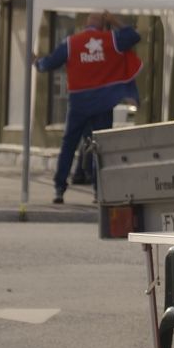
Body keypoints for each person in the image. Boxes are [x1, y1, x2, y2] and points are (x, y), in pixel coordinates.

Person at [34, 11, 142, 204]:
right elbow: (134, 36)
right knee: (101, 147)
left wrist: (37, 63)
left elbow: (49, 64)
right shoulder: (111, 39)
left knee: (69, 145)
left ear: (86, 23)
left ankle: (59, 189)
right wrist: (115, 22)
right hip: (103, 102)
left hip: (78, 103)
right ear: (103, 24)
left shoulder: (71, 43)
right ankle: (98, 192)